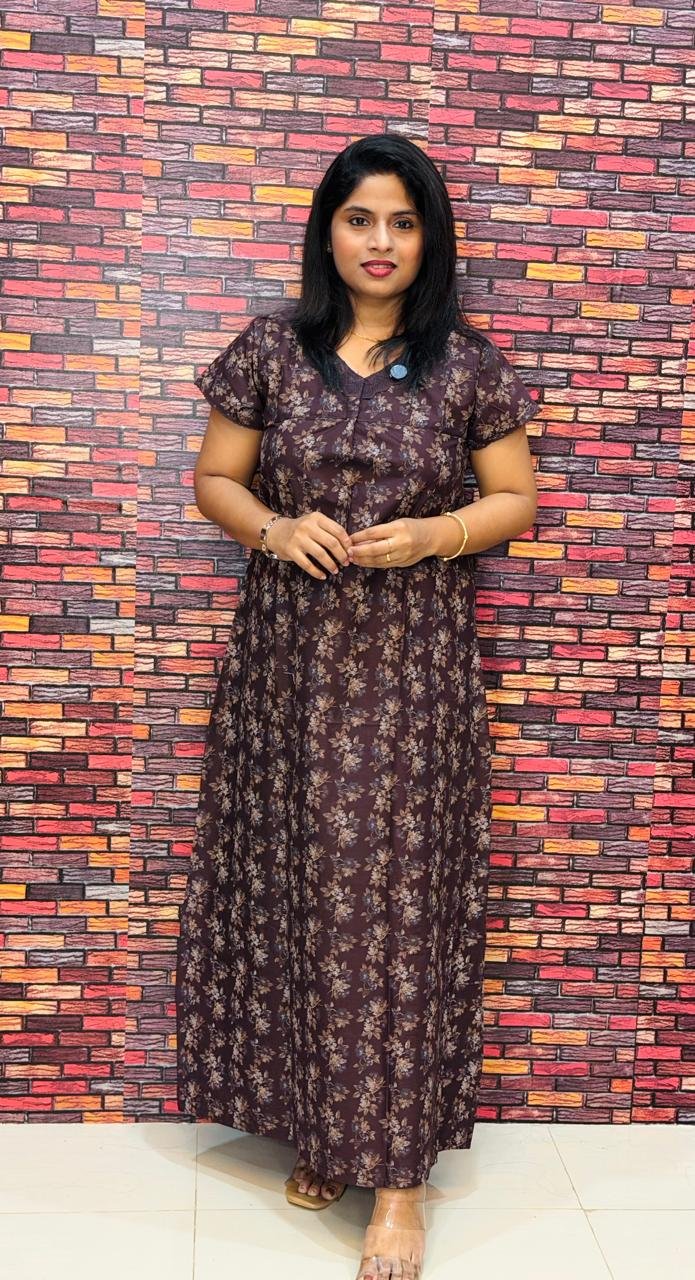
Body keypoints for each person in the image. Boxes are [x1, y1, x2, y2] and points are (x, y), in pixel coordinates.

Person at [176, 132, 540, 1280]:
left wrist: (437, 533)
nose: (379, 241)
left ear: (428, 238)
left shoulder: (464, 366)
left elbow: (515, 497)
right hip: (287, 676)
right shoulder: (270, 350)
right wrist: (274, 526)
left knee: (397, 910)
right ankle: (324, 1130)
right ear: (326, 230)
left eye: (402, 220)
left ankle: (397, 1182)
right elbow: (216, 478)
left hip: (411, 680)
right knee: (298, 893)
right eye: (358, 218)